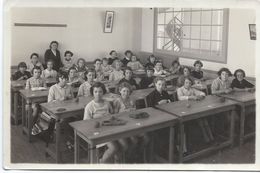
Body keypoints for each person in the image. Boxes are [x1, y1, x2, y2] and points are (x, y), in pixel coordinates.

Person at [84, 82, 120, 163]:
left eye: (100, 91)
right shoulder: (89, 106)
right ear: (92, 93)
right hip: (98, 132)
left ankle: (117, 162)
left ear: (103, 92)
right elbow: (86, 123)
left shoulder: (107, 103)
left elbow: (111, 115)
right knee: (114, 147)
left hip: (110, 129)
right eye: (95, 92)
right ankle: (101, 162)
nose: (98, 94)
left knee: (123, 143)